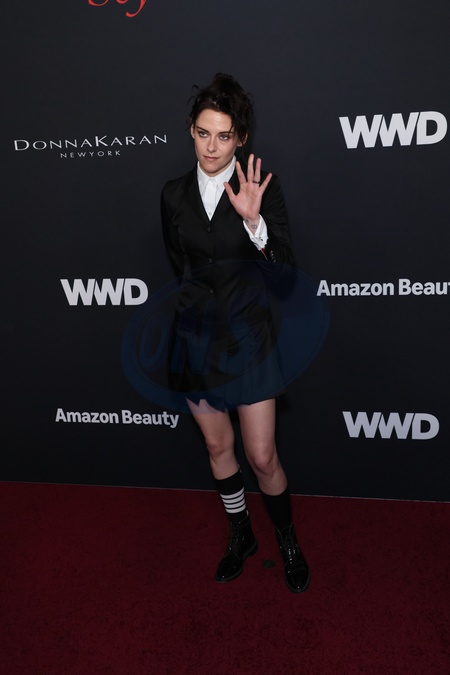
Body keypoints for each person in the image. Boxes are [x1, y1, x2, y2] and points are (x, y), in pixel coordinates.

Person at [161, 73, 310, 593]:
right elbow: (180, 267)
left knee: (262, 456)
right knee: (217, 447)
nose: (211, 146)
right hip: (193, 339)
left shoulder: (259, 188)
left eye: (223, 136)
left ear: (240, 138)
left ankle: (287, 540)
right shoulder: (173, 195)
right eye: (203, 133)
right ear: (191, 130)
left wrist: (254, 225)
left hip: (248, 339)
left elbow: (284, 274)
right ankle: (241, 532)